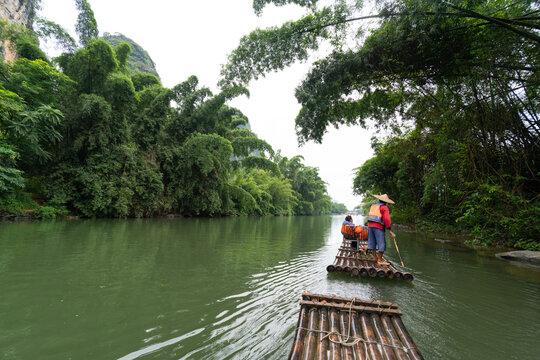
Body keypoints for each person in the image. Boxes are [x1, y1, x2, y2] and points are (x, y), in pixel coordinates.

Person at [367, 194, 396, 265]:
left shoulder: (373, 206)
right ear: (385, 201)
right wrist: (390, 229)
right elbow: (387, 219)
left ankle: (375, 257)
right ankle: (380, 260)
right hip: (379, 227)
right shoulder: (384, 207)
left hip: (370, 226)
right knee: (381, 243)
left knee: (372, 242)